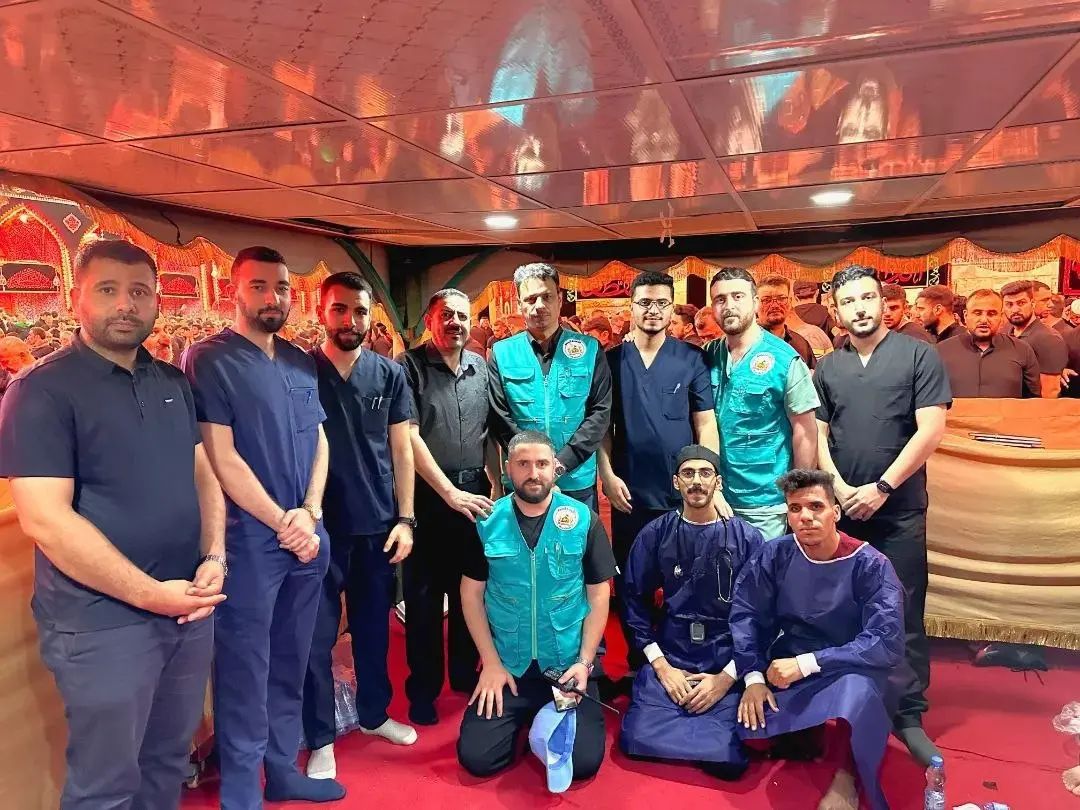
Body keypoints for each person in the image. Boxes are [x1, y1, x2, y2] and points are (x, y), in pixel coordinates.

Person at [0, 240, 225, 809]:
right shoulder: (41, 390)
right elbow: (46, 520)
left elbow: (203, 473)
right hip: (102, 623)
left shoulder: (171, 381)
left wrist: (214, 557)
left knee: (167, 762)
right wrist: (151, 595)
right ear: (75, 298)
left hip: (186, 608)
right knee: (106, 785)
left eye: (139, 291)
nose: (126, 304)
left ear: (157, 301)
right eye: (108, 290)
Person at [182, 246, 345, 807]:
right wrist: (282, 521)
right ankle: (240, 792)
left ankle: (281, 770)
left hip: (306, 537)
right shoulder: (208, 359)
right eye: (258, 286)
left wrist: (311, 512)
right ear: (234, 291)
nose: (272, 297)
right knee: (244, 670)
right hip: (250, 541)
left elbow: (319, 438)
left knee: (292, 661)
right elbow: (219, 456)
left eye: (281, 287)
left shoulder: (299, 361)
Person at [813, 264, 951, 766]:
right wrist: (837, 486)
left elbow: (931, 429)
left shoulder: (918, 355)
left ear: (885, 302)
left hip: (898, 509)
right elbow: (817, 433)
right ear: (837, 311)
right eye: (849, 301)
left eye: (867, 298)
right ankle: (844, 699)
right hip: (844, 508)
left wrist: (883, 487)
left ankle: (907, 713)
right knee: (840, 608)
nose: (860, 308)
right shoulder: (828, 367)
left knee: (902, 608)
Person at [732, 469, 905, 810]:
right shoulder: (775, 554)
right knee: (744, 735)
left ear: (835, 512)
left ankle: (846, 777)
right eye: (795, 508)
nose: (805, 517)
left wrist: (808, 663)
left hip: (852, 666)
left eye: (816, 506)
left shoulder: (871, 564)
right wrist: (753, 678)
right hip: (790, 658)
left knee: (857, 694)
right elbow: (747, 614)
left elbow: (885, 641)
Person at [302, 272, 418, 779]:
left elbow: (401, 449)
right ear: (321, 312)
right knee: (316, 637)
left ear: (372, 317)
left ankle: (373, 714)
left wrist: (406, 518)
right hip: (319, 528)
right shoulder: (301, 371)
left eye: (360, 311)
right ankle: (320, 735)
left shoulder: (389, 374)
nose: (350, 320)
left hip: (377, 525)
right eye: (339, 309)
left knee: (373, 629)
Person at [456, 431, 616, 785]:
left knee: (582, 763)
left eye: (542, 464)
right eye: (523, 464)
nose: (533, 473)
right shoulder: (486, 521)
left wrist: (584, 662)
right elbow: (470, 595)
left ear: (555, 468)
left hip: (566, 667)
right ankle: (528, 720)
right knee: (478, 758)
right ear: (507, 468)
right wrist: (490, 663)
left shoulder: (583, 519)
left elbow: (598, 594)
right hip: (509, 667)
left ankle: (543, 718)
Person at [598, 271, 720, 679]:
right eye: (645, 303)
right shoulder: (611, 362)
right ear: (631, 307)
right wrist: (607, 475)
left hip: (682, 495)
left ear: (672, 309)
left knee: (685, 582)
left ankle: (682, 660)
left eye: (662, 303)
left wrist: (708, 479)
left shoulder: (691, 358)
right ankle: (641, 667)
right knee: (632, 583)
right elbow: (603, 429)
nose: (653, 311)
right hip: (628, 492)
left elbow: (705, 423)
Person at [620, 446, 764, 777]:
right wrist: (662, 667)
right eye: (688, 474)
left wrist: (726, 678)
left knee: (729, 757)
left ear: (718, 482)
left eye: (705, 473)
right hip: (673, 653)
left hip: (725, 656)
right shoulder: (656, 534)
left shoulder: (747, 538)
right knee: (635, 737)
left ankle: (708, 730)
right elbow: (633, 598)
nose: (696, 481)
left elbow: (762, 613)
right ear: (676, 482)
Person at [399, 289, 498, 725]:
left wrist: (498, 483)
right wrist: (447, 493)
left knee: (469, 592)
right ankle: (423, 689)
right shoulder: (409, 366)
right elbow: (409, 437)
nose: (455, 322)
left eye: (462, 315)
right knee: (423, 600)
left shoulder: (481, 366)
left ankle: (463, 672)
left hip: (475, 495)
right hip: (427, 496)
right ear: (430, 320)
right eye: (446, 315)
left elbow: (490, 432)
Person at [704, 267, 819, 540]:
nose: (729, 306)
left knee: (764, 567)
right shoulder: (709, 354)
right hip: (715, 498)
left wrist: (798, 496)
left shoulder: (785, 359)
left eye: (738, 296)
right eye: (720, 299)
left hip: (766, 503)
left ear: (755, 302)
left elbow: (805, 430)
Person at [488, 262, 612, 509]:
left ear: (560, 299)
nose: (539, 306)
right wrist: (534, 467)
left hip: (576, 481)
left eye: (547, 297)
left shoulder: (589, 349)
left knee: (579, 535)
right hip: (523, 481)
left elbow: (600, 413)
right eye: (530, 299)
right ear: (520, 304)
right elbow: (500, 417)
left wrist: (559, 465)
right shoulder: (502, 353)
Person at [937, 289, 1041, 398]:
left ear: (1001, 317)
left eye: (991, 314)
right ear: (965, 315)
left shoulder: (1022, 350)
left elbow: (1033, 399)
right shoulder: (942, 351)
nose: (984, 320)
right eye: (977, 313)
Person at [1001, 279, 1067, 398]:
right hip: (1005, 405)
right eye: (1009, 304)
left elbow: (1050, 393)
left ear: (1032, 303)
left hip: (1032, 407)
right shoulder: (1005, 331)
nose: (1015, 309)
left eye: (1021, 303)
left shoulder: (1049, 339)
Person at [756, 274, 817, 369]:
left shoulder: (800, 344)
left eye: (781, 299)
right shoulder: (745, 343)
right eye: (767, 300)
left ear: (790, 302)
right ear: (755, 303)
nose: (775, 305)